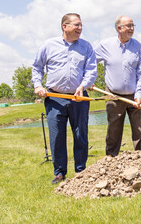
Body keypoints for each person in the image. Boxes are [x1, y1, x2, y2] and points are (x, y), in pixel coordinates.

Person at [32, 13, 97, 184]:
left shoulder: (86, 47)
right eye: (76, 25)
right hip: (55, 98)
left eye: (81, 25)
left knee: (80, 134)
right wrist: (38, 86)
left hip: (79, 97)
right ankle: (59, 172)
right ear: (64, 26)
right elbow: (37, 67)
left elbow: (91, 70)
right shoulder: (48, 45)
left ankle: (81, 171)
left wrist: (83, 85)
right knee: (57, 136)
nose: (80, 28)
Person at [95, 15, 141, 156]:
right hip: (114, 95)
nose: (132, 29)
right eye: (128, 26)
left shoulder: (139, 47)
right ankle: (111, 160)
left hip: (135, 95)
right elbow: (90, 63)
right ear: (119, 28)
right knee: (114, 129)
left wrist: (138, 95)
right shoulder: (105, 45)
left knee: (139, 129)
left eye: (132, 26)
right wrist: (89, 80)